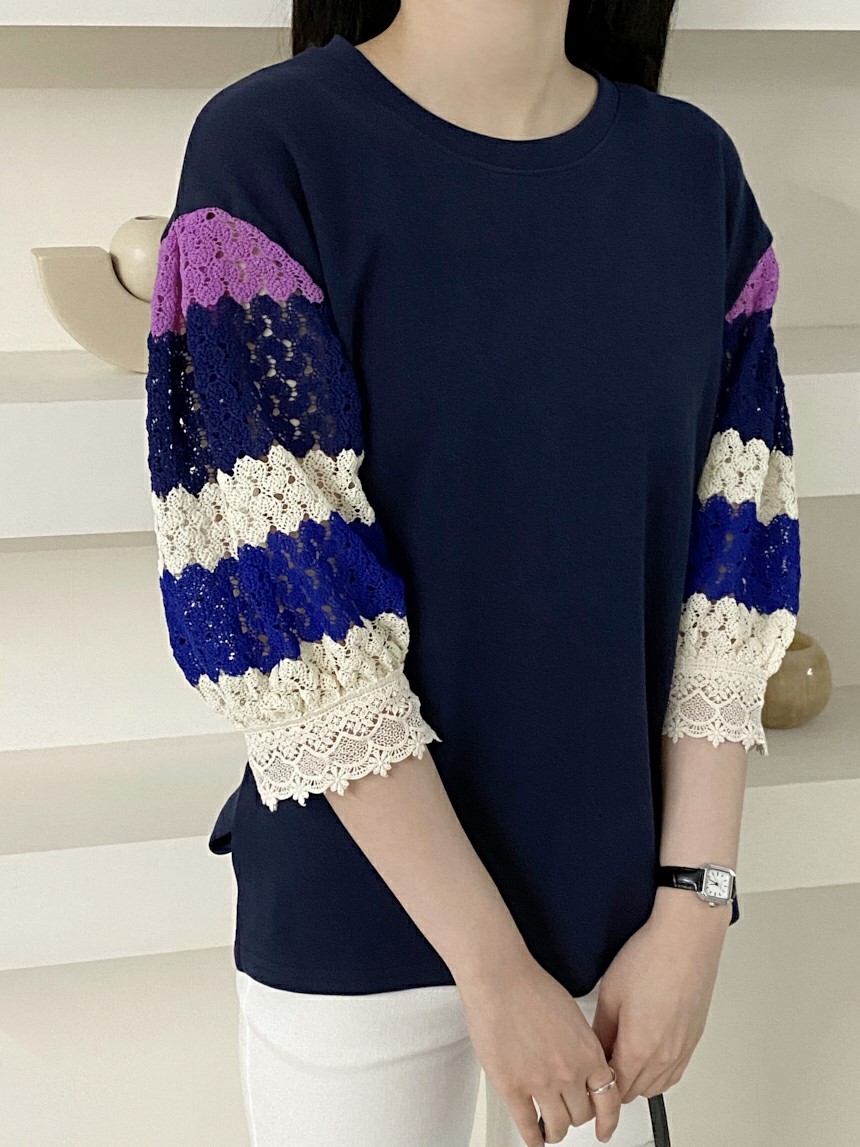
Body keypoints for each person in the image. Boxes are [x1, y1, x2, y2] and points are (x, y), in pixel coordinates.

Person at [144, 2, 801, 1144]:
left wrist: (695, 904)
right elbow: (284, 600)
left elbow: (733, 569)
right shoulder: (270, 149)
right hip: (361, 925)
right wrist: (493, 969)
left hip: (622, 939)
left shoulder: (693, 171)